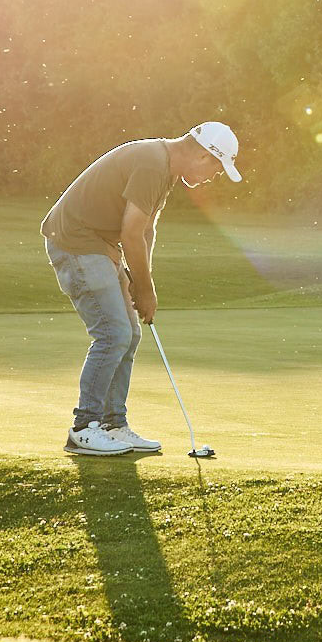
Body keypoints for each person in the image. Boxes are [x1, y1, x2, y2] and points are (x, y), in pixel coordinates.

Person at [41, 122, 242, 455]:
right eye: (217, 169)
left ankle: (113, 425)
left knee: (129, 335)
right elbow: (131, 233)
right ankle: (83, 428)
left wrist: (141, 279)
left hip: (99, 246)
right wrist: (145, 291)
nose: (214, 176)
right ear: (204, 156)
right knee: (112, 334)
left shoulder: (165, 168)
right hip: (76, 244)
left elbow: (145, 231)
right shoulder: (152, 164)